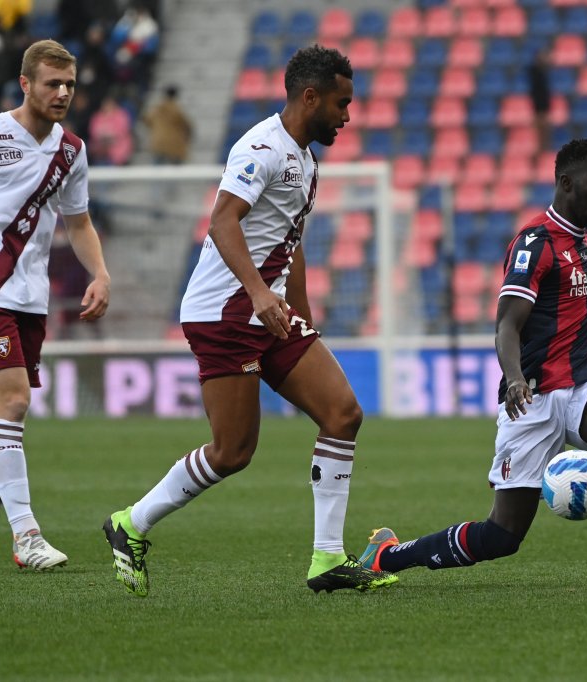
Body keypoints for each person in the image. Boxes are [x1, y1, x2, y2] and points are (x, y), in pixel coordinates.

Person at [354, 139, 587, 591]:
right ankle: (388, 554)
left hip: (585, 384)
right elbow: (506, 326)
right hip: (532, 396)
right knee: (502, 536)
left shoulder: (584, 239)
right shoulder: (534, 244)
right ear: (566, 183)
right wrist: (514, 378)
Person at [102, 45, 396, 597]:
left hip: (269, 312)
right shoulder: (261, 147)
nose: (347, 115)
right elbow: (222, 222)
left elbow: (290, 241)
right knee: (233, 452)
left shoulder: (307, 161)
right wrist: (260, 292)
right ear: (310, 97)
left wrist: (303, 318)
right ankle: (130, 523)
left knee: (343, 414)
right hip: (225, 314)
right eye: (341, 103)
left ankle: (327, 559)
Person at [0, 39, 111, 570]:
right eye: (52, 83)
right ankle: (26, 535)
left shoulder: (72, 150)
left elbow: (79, 221)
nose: (63, 92)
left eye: (69, 84)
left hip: (30, 297)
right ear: (26, 84)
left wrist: (100, 273)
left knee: (8, 407)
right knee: (13, 402)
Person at [141, 85, 192, 164]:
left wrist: (156, 129)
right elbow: (186, 124)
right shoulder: (176, 109)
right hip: (174, 142)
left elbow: (147, 120)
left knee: (157, 165)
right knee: (176, 167)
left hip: (158, 141)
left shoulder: (157, 108)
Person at [527, 49, 551, 151]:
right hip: (538, 105)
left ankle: (543, 148)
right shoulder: (534, 72)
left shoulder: (543, 73)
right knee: (540, 128)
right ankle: (540, 148)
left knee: (544, 128)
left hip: (543, 104)